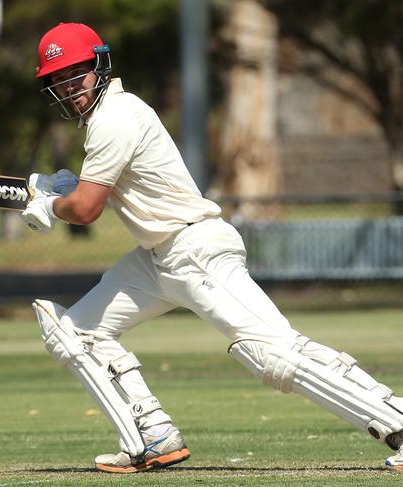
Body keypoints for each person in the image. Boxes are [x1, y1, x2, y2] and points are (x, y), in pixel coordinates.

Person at [21, 22, 403, 474]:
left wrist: (53, 204)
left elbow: (85, 211)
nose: (70, 87)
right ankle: (152, 437)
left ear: (99, 67)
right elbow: (96, 192)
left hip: (196, 249)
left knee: (273, 352)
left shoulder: (115, 117)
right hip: (158, 259)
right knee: (75, 332)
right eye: (58, 79)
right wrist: (63, 190)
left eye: (76, 73)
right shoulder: (104, 121)